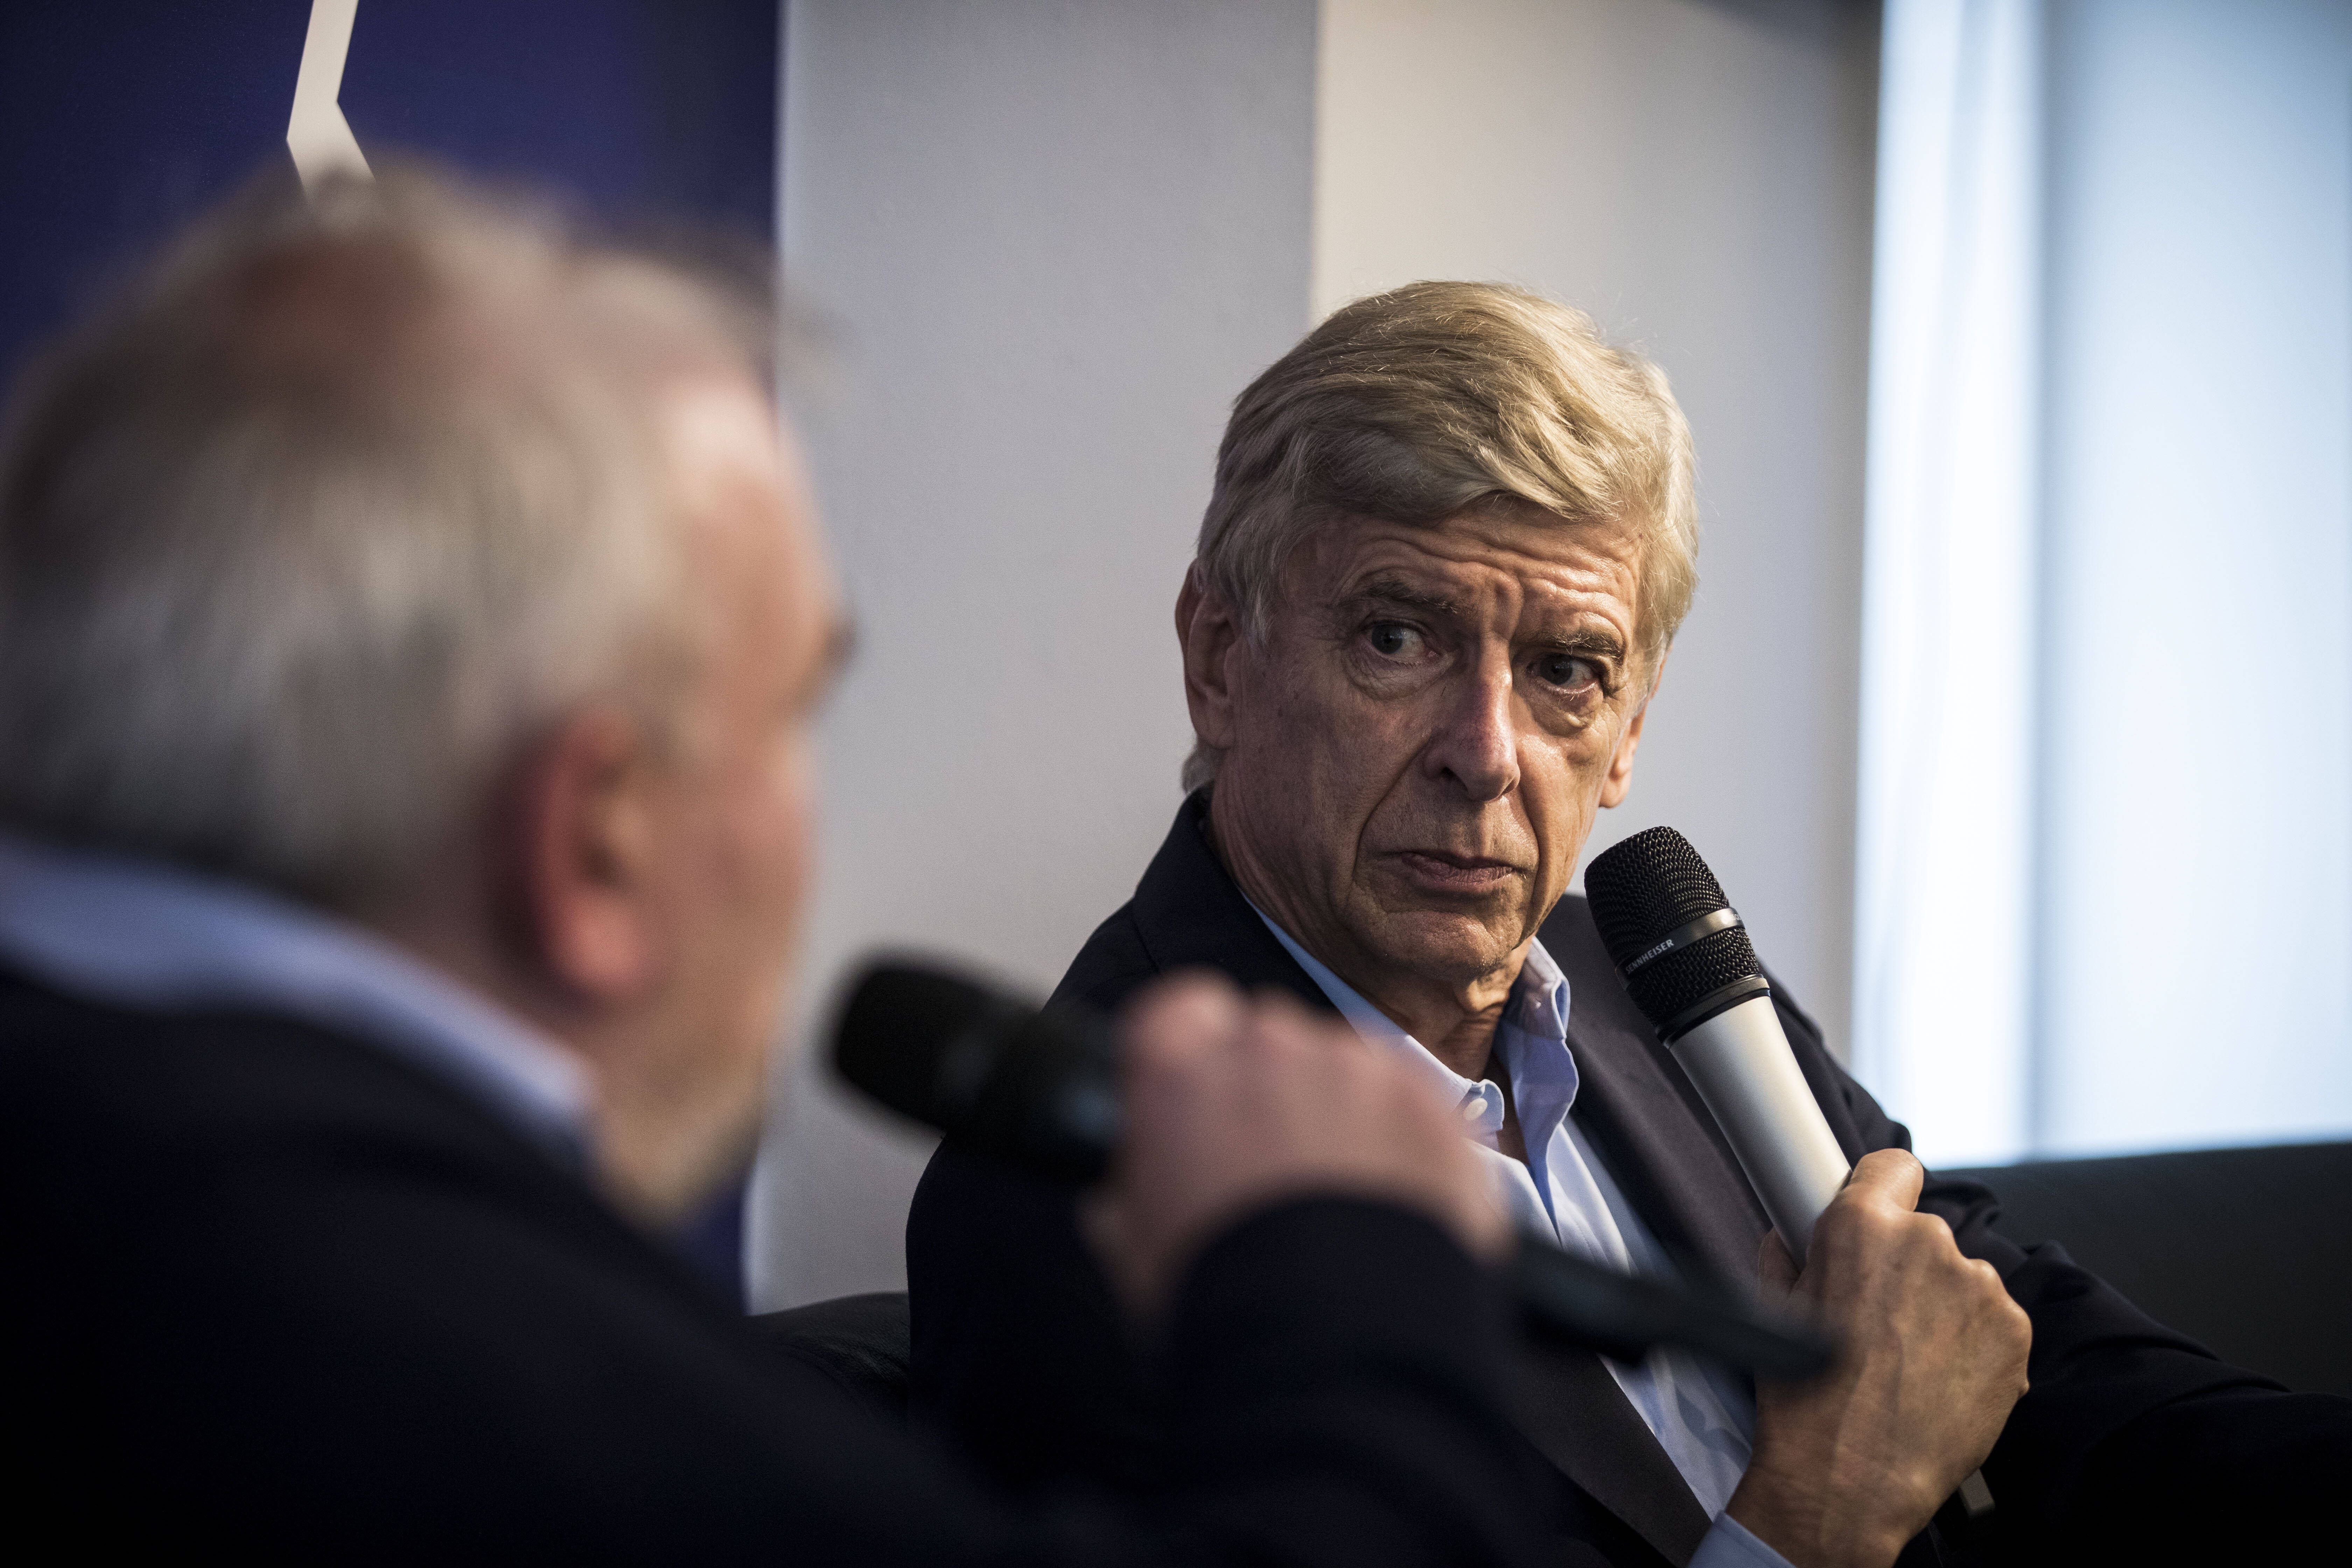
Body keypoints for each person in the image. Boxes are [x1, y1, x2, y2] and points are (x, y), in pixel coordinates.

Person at [0, 168, 1577, 1563]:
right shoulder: (468, 1388)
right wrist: (1342, 1269)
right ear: (597, 834)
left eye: (1572, 670)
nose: (1487, 752)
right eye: (791, 715)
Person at [906, 281, 2352, 1567]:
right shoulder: (1065, 1187)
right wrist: (1811, 1524)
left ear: (1629, 733)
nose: (1488, 754)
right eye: (1397, 638)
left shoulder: (1652, 979)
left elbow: (2026, 1346)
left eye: (1566, 670)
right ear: (1221, 659)